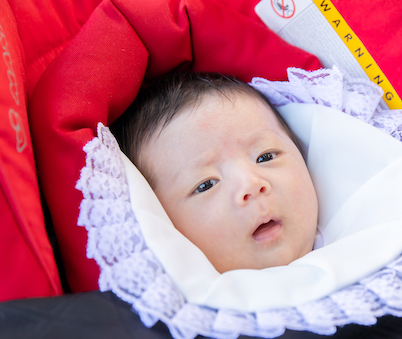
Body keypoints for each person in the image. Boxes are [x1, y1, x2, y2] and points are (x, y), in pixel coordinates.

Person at [111, 73, 319, 273]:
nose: (251, 185)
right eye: (206, 185)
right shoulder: (181, 302)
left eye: (265, 157)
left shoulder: (349, 229)